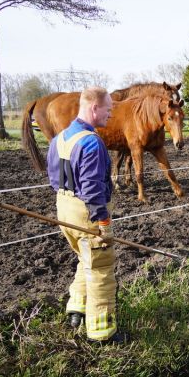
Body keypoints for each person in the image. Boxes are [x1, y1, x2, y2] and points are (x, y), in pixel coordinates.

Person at [46, 86, 127, 344]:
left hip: (64, 208)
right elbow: (92, 189)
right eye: (108, 109)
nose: (111, 115)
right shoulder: (91, 142)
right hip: (86, 213)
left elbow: (52, 178)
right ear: (94, 108)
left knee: (85, 258)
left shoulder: (59, 139)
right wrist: (103, 222)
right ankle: (102, 333)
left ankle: (76, 310)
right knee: (101, 266)